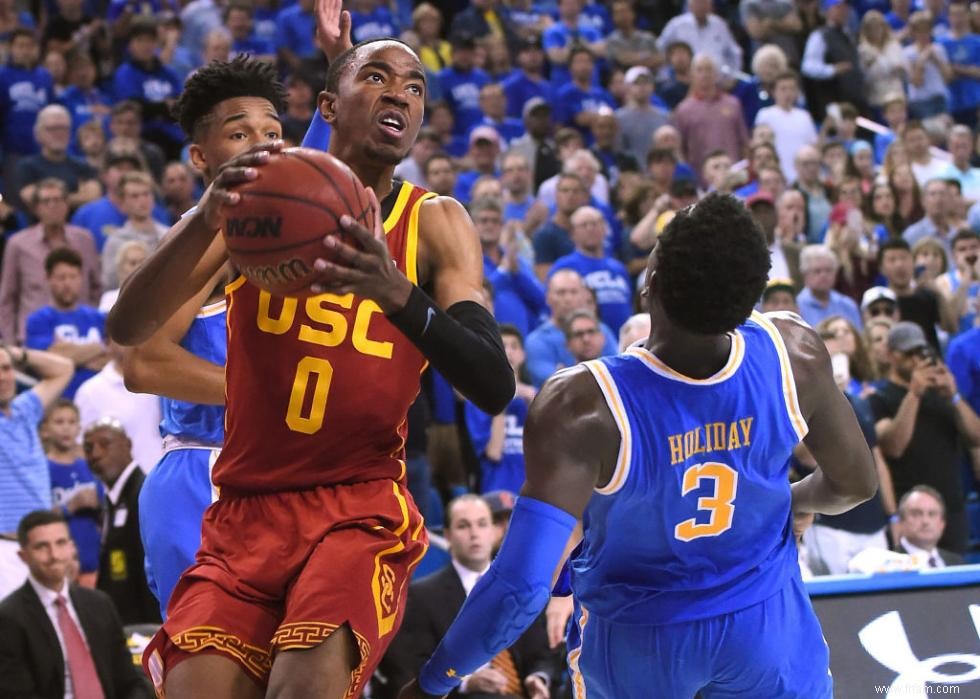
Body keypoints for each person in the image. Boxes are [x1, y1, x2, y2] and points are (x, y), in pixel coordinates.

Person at [108, 19, 515, 699]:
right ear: (327, 108)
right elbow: (130, 330)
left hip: (358, 507)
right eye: (379, 78)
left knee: (303, 687)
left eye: (415, 86)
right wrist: (206, 217)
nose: (401, 94)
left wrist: (397, 293)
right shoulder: (257, 207)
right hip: (245, 508)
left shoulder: (435, 221)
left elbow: (493, 382)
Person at [398, 193, 877, 699]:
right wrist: (792, 500)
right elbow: (855, 483)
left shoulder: (581, 404)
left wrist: (434, 681)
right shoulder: (793, 352)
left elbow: (520, 587)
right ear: (749, 295)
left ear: (650, 284)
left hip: (637, 642)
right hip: (765, 628)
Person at [381, 495, 558, 699]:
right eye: (463, 526)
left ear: (495, 531)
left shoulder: (519, 588)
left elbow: (541, 655)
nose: (475, 534)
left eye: (482, 524)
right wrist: (465, 683)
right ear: (447, 536)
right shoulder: (421, 596)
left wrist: (538, 678)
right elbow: (411, 669)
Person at [0, 510, 151, 699]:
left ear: (72, 547)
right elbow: (16, 694)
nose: (54, 555)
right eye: (41, 547)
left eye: (61, 543)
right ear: (23, 556)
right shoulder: (9, 618)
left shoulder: (99, 604)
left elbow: (129, 680)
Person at [868, 321, 980, 553]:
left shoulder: (941, 395)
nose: (915, 360)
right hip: (909, 511)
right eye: (907, 353)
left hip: (949, 511)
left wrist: (954, 396)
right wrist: (914, 393)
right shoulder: (879, 399)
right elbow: (893, 447)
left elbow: (976, 437)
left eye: (920, 352)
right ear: (890, 355)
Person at [0, 346, 73, 600]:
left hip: (45, 547)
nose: (2, 377)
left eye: (6, 369)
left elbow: (64, 369)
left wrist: (17, 354)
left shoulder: (25, 409)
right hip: (6, 549)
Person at [0, 178, 101, 345]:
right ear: (36, 208)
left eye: (58, 200)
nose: (52, 206)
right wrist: (11, 345)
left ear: (67, 205)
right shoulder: (18, 244)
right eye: (46, 201)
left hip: (82, 338)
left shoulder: (85, 240)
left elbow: (96, 288)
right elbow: (7, 298)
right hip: (33, 340)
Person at [84, 418, 160, 626]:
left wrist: (155, 629)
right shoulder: (113, 500)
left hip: (146, 626)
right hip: (125, 623)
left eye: (105, 444)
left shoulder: (143, 493)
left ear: (127, 444)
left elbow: (152, 568)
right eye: (88, 448)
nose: (95, 454)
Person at [26, 248, 108, 400]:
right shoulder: (38, 320)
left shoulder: (99, 318)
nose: (67, 283)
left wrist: (68, 353)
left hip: (98, 401)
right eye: (61, 277)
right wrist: (98, 347)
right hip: (58, 403)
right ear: (48, 278)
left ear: (81, 278)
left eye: (73, 276)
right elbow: (47, 361)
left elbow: (113, 358)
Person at [42, 398, 102, 588]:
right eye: (59, 422)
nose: (66, 428)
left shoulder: (90, 466)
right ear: (45, 429)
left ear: (79, 428)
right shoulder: (41, 469)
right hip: (59, 567)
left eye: (71, 422)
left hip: (95, 562)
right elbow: (37, 517)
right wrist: (70, 507)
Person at [895, 486, 965, 567]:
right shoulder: (888, 564)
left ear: (942, 524)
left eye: (932, 514)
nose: (926, 521)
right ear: (901, 521)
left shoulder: (957, 563)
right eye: (916, 514)